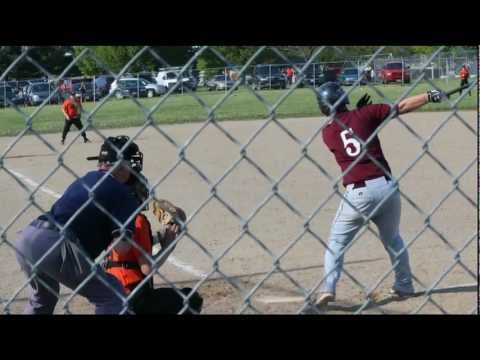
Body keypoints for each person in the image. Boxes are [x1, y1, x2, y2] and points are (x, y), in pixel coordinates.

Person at [314, 82, 447, 307]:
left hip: (357, 195)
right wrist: (430, 95)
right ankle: (404, 285)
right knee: (393, 239)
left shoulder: (327, 133)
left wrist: (359, 115)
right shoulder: (368, 113)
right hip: (387, 189)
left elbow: (349, 132)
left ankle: (328, 288)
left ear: (324, 107)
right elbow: (402, 106)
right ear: (344, 98)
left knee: (336, 243)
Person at [15, 136, 144, 314]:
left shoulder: (89, 178)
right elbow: (121, 248)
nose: (134, 170)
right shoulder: (123, 193)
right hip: (56, 242)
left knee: (43, 297)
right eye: (131, 164)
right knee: (112, 295)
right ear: (121, 166)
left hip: (27, 238)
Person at [104, 174, 203, 314]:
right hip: (134, 298)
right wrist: (170, 243)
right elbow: (148, 268)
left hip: (110, 297)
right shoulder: (139, 220)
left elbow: (136, 244)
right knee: (191, 299)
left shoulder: (113, 218)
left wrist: (166, 233)